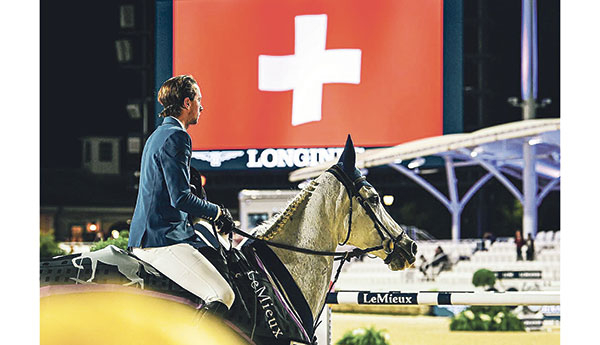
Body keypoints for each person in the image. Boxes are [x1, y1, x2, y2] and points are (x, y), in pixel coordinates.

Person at [128, 75, 236, 317]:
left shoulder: (158, 134)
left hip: (149, 235)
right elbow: (181, 199)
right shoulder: (179, 136)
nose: (202, 106)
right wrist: (218, 211)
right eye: (199, 99)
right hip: (162, 241)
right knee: (222, 294)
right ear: (187, 103)